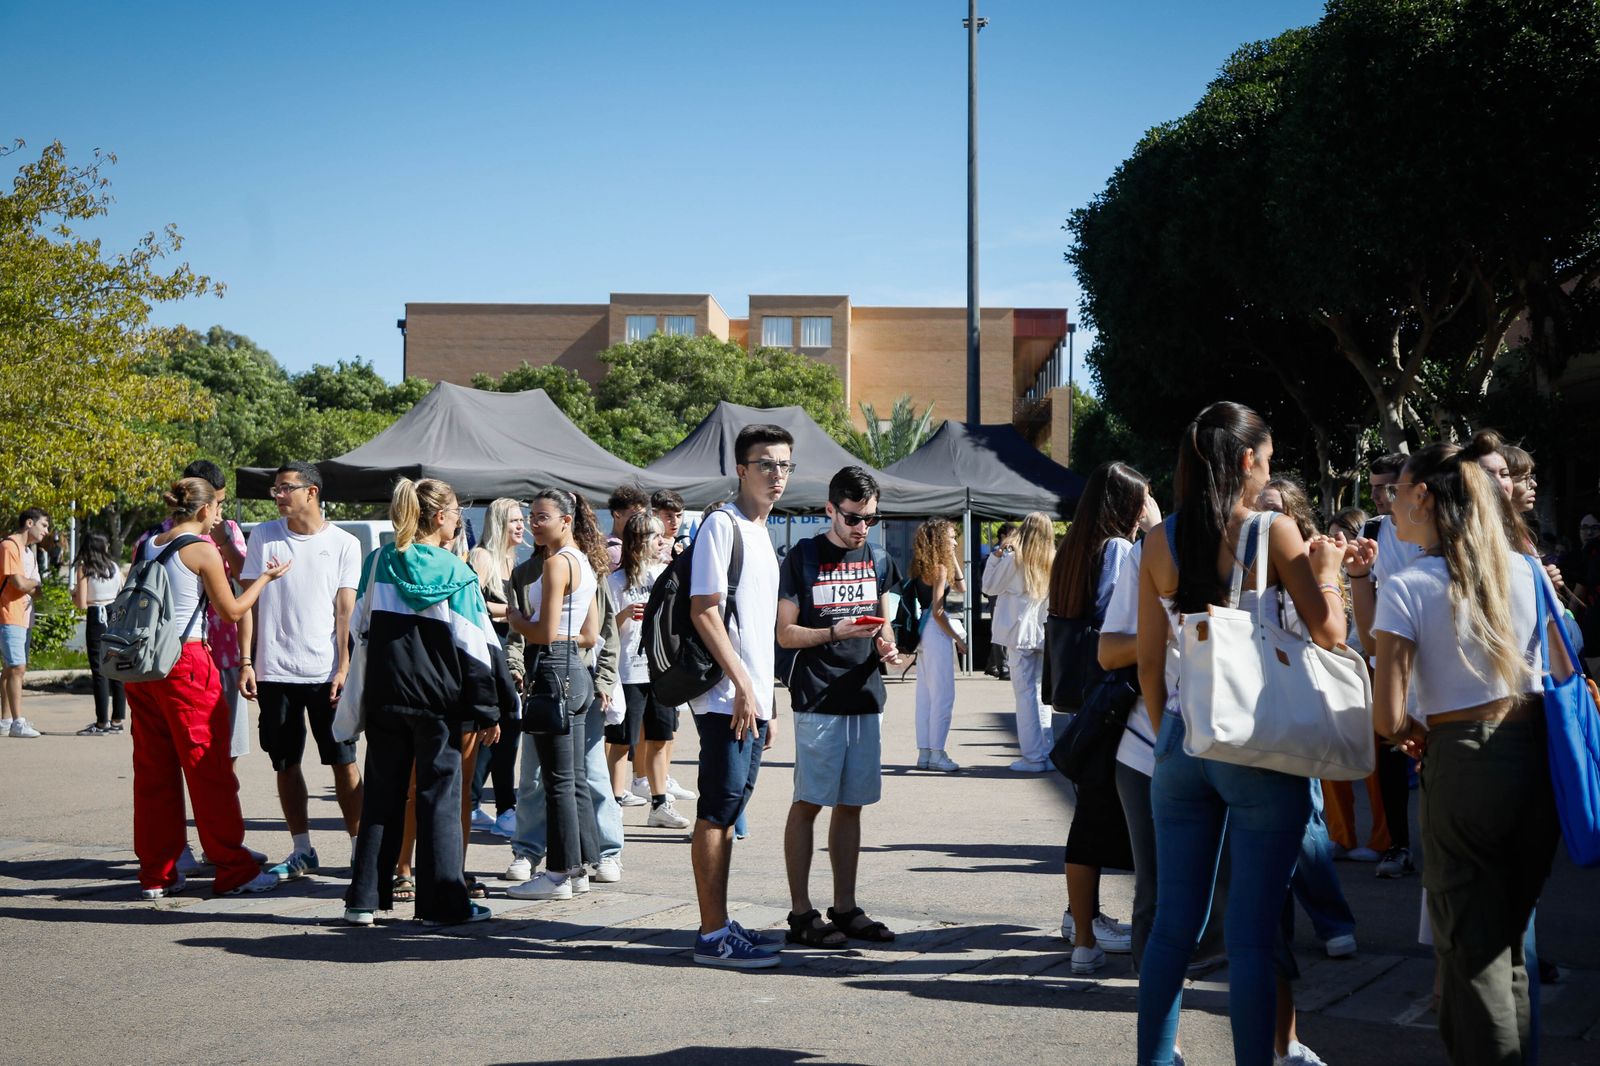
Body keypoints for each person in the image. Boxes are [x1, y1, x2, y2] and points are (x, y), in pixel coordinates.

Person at [1135, 401, 1349, 1066]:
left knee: (1173, 927)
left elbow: (1147, 662)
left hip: (1181, 739)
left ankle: (1155, 1060)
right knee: (1253, 935)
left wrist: (1169, 729)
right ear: (1249, 459)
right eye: (1270, 456)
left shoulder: (1159, 540)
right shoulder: (1274, 531)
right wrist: (1333, 573)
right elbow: (1331, 633)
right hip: (1256, 742)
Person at [1365, 442, 1565, 1065]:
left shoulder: (1408, 585)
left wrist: (1409, 737)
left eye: (1396, 491)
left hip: (1464, 760)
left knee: (1471, 954)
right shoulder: (1527, 571)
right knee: (1509, 950)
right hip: (1535, 756)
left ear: (1424, 495)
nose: (1390, 504)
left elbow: (1388, 715)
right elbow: (1561, 666)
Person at [343, 477, 517, 926]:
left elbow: (358, 631)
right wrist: (490, 708)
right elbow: (478, 649)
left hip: (386, 700)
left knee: (382, 796)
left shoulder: (378, 561)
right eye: (458, 512)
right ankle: (444, 905)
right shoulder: (457, 573)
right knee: (438, 801)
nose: (460, 519)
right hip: (440, 706)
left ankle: (362, 900)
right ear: (441, 518)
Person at [126, 478, 287, 898]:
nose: (220, 515)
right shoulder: (202, 550)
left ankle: (157, 875)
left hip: (145, 668)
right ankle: (234, 869)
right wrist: (265, 580)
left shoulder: (149, 543)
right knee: (208, 771)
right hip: (187, 663)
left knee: (153, 773)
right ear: (202, 511)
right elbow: (230, 611)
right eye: (217, 507)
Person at [778, 466, 902, 948]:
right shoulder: (803, 557)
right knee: (809, 801)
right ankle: (801, 913)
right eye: (853, 518)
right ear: (830, 509)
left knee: (852, 805)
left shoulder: (879, 558)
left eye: (870, 518)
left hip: (865, 695)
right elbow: (785, 634)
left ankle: (845, 906)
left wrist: (888, 646)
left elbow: (883, 625)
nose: (861, 528)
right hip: (818, 696)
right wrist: (834, 631)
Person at [686, 424, 792, 969]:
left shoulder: (761, 534)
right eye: (767, 464)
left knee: (730, 813)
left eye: (785, 466)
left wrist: (767, 697)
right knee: (716, 811)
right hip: (726, 698)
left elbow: (755, 628)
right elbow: (703, 609)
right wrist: (745, 687)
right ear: (741, 469)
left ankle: (721, 923)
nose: (777, 475)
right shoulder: (721, 527)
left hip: (750, 699)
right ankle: (711, 936)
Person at [239, 461, 365, 879]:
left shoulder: (345, 542)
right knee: (285, 762)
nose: (277, 495)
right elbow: (249, 605)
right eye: (275, 488)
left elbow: (345, 609)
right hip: (274, 671)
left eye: (285, 488)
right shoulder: (263, 535)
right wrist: (247, 661)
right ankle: (302, 849)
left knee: (343, 762)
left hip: (326, 673)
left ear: (311, 492)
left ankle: (358, 849)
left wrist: (344, 666)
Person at [1048, 465, 1148, 973]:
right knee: (1107, 819)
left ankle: (1080, 926)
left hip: (1077, 701)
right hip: (1111, 702)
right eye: (1143, 500)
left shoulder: (1073, 548)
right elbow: (1118, 618)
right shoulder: (1118, 549)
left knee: (1087, 818)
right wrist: (1152, 534)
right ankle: (1085, 931)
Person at [503, 489, 604, 901]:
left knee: (558, 780)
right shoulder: (584, 562)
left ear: (566, 520)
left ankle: (559, 873)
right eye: (531, 515)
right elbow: (590, 634)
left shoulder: (557, 564)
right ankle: (579, 867)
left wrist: (515, 619)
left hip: (552, 665)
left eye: (542, 516)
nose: (533, 523)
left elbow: (544, 633)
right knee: (574, 777)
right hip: (575, 669)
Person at [607, 513, 689, 828]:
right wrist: (625, 614)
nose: (661, 542)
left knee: (659, 738)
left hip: (660, 671)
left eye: (661, 537)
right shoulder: (616, 581)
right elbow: (602, 629)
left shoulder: (666, 574)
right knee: (621, 741)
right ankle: (613, 803)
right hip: (628, 670)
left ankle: (659, 804)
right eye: (655, 537)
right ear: (639, 541)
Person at [468, 498, 526, 841]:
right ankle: (476, 803)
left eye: (522, 520)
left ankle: (506, 808)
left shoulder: (514, 560)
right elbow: (472, 603)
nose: (521, 526)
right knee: (492, 735)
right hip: (490, 658)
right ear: (497, 523)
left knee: (510, 734)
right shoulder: (482, 558)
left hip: (513, 658)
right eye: (513, 521)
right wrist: (511, 611)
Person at [985, 512, 1056, 772]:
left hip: (1018, 633)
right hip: (1044, 633)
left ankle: (1032, 757)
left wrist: (996, 556)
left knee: (1025, 695)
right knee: (1040, 695)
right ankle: (1045, 752)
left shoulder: (1016, 559)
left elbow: (989, 587)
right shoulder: (1054, 559)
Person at [910, 518, 966, 773]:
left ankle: (925, 752)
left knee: (925, 695)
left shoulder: (921, 565)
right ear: (940, 539)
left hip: (921, 632)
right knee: (943, 695)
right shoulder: (940, 569)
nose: (955, 541)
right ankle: (938, 754)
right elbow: (939, 612)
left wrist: (952, 555)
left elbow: (962, 586)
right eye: (952, 537)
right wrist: (958, 638)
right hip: (935, 631)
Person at [1, 508, 50, 738]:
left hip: (25, 616)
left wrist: (30, 584)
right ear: (29, 523)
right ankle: (17, 723)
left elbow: (38, 591)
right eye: (44, 525)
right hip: (8, 613)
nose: (46, 531)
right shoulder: (9, 546)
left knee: (12, 668)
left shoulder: (30, 552)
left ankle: (6, 720)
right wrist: (30, 584)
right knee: (17, 667)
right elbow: (20, 584)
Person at [71, 532, 126, 735]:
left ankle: (102, 721)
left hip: (96, 615)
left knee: (99, 669)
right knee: (117, 667)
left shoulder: (85, 569)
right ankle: (118, 719)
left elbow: (81, 603)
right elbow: (122, 591)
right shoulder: (113, 567)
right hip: (114, 614)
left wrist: (73, 595)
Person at [605, 484, 649, 573]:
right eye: (636, 516)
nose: (641, 521)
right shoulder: (610, 549)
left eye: (644, 516)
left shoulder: (645, 544)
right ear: (617, 514)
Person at [652, 488, 690, 559]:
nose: (675, 522)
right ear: (654, 514)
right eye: (669, 516)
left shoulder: (683, 544)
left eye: (679, 516)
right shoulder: (647, 547)